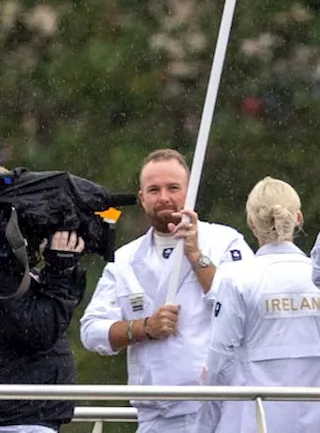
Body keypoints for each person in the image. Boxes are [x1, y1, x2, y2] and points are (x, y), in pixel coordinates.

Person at [81, 149, 254, 433]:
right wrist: (144, 327)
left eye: (173, 188)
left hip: (221, 410)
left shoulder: (225, 241)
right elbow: (91, 331)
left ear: (191, 190)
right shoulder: (124, 259)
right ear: (142, 198)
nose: (163, 197)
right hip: (155, 416)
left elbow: (246, 306)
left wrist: (195, 255)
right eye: (154, 189)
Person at [198, 177, 320, 433]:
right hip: (315, 423)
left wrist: (205, 426)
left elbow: (220, 362)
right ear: (298, 217)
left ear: (251, 223)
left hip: (252, 422)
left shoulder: (235, 278)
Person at [0, 228, 86, 433]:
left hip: (30, 413)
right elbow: (39, 330)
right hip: (18, 416)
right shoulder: (7, 281)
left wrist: (62, 265)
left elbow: (62, 309)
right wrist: (59, 272)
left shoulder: (21, 277)